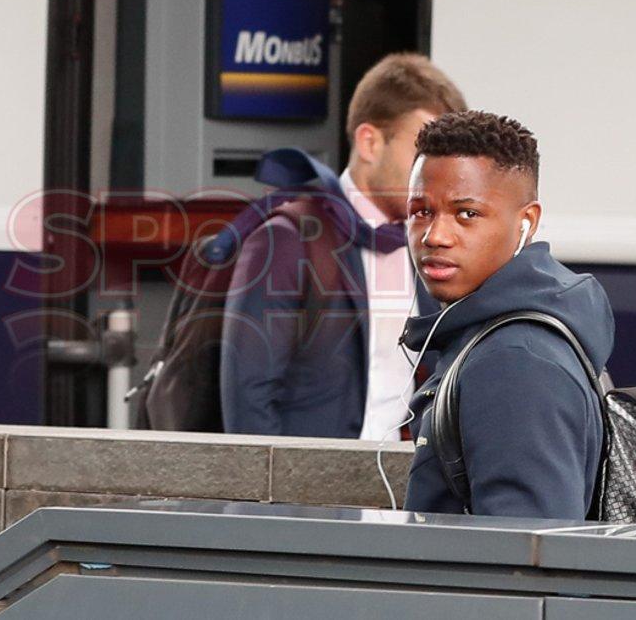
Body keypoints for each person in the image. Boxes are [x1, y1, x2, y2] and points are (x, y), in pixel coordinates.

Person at [220, 53, 466, 437]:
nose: (432, 175)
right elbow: (249, 399)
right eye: (421, 154)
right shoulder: (287, 238)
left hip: (406, 486)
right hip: (310, 490)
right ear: (369, 142)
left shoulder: (430, 242)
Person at [401, 111, 610, 519]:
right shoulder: (501, 338)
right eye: (421, 211)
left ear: (526, 222)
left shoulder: (516, 360)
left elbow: (526, 560)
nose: (434, 236)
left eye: (467, 214)